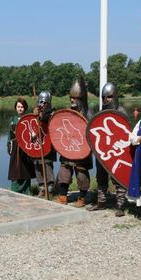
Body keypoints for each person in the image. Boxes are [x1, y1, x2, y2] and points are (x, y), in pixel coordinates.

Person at [87, 82, 128, 217]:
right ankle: (101, 202)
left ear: (115, 97)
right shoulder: (101, 113)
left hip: (117, 151)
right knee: (101, 176)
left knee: (118, 178)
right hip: (103, 152)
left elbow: (126, 134)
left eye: (109, 97)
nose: (106, 100)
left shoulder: (121, 112)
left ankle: (120, 204)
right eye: (104, 97)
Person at [56, 77, 93, 207]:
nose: (72, 100)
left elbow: (92, 133)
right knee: (64, 172)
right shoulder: (68, 112)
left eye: (75, 98)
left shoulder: (89, 113)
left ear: (81, 99)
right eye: (71, 97)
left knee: (82, 174)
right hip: (68, 147)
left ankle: (82, 197)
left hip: (82, 149)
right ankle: (62, 196)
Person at [7, 97, 36, 194]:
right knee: (15, 170)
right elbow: (9, 135)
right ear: (15, 108)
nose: (20, 109)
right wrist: (8, 146)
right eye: (18, 107)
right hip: (15, 148)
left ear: (25, 108)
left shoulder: (28, 119)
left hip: (25, 148)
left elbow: (33, 132)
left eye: (22, 107)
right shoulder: (12, 119)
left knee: (25, 169)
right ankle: (15, 190)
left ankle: (26, 191)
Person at [32, 91, 57, 198]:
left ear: (48, 103)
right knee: (37, 165)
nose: (42, 104)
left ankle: (50, 188)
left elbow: (47, 119)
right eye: (40, 102)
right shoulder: (36, 112)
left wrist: (40, 115)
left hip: (48, 145)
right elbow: (31, 124)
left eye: (44, 103)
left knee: (47, 165)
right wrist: (34, 115)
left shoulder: (53, 113)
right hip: (37, 144)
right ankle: (42, 187)